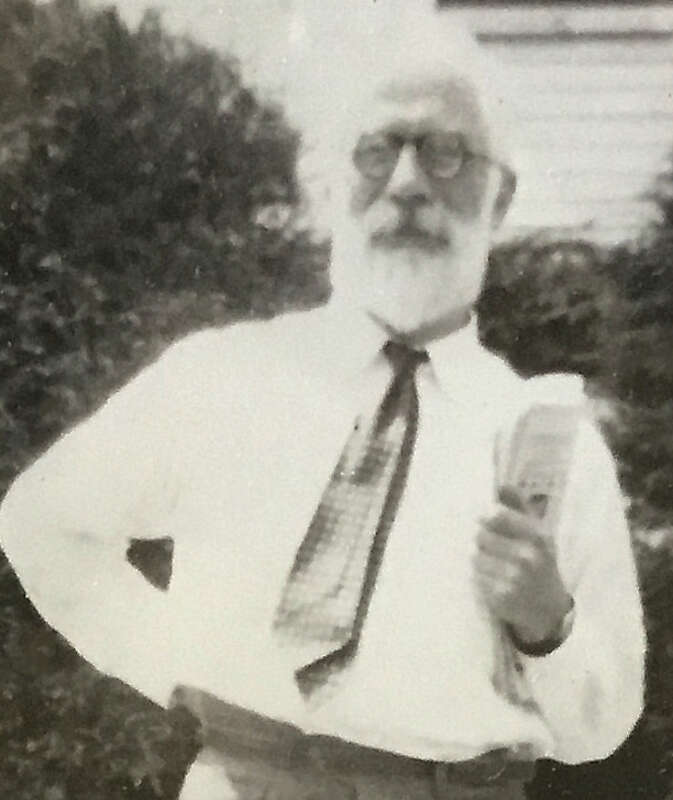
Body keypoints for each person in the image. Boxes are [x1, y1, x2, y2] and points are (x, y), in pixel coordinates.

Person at [0, 6, 645, 799]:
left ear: (498, 199)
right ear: (331, 185)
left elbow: (602, 724)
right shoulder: (222, 377)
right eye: (377, 151)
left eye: (447, 154)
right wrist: (172, 660)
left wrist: (549, 626)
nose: (407, 185)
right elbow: (44, 523)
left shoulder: (549, 441)